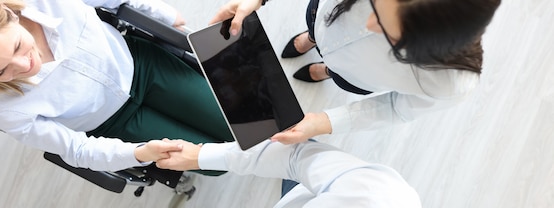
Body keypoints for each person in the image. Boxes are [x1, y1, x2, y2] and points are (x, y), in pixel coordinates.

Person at [0, 0, 234, 173]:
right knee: (215, 163)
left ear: (10, 15)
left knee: (240, 120)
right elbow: (76, 148)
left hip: (141, 67)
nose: (25, 66)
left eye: (19, 46)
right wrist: (140, 153)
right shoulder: (0, 106)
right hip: (114, 123)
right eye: (2, 70)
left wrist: (165, 16)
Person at [210, 0, 501, 144]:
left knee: (338, 73)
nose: (370, 26)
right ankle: (312, 38)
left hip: (354, 74)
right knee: (316, 28)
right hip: (324, 16)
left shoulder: (451, 82)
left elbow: (394, 109)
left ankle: (326, 70)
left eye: (391, 36)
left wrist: (324, 121)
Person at [156, 139, 422, 207]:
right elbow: (294, 156)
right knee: (297, 149)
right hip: (308, 188)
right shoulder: (379, 194)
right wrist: (200, 157)